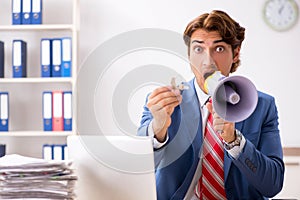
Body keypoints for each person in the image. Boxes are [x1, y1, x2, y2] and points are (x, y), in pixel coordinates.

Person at [137, 10, 284, 199]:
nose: (208, 61)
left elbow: (272, 185)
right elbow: (139, 169)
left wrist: (234, 141)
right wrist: (158, 129)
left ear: (236, 53)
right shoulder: (162, 103)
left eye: (219, 48)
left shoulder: (262, 106)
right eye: (198, 49)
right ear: (189, 55)